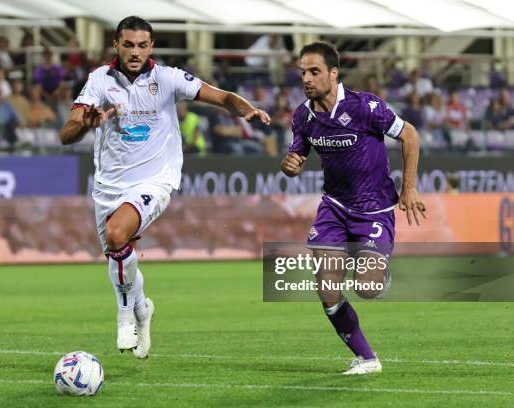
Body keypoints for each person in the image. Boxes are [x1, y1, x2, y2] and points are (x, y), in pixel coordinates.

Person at [60, 16, 270, 359]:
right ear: (116, 45)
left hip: (155, 180)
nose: (135, 52)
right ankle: (142, 308)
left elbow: (220, 96)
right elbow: (66, 134)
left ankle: (125, 315)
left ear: (151, 47)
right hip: (109, 186)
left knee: (116, 235)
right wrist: (85, 122)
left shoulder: (168, 78)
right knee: (117, 251)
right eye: (128, 44)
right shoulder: (99, 80)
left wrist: (247, 110)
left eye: (142, 45)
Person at [281, 42, 425, 375]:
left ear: (333, 73)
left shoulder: (366, 107)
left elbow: (411, 136)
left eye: (314, 71)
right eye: (303, 71)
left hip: (374, 209)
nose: (307, 78)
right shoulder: (303, 116)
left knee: (367, 288)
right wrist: (290, 166)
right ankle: (366, 358)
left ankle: (379, 274)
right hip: (333, 207)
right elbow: (297, 158)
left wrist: (409, 188)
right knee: (326, 285)